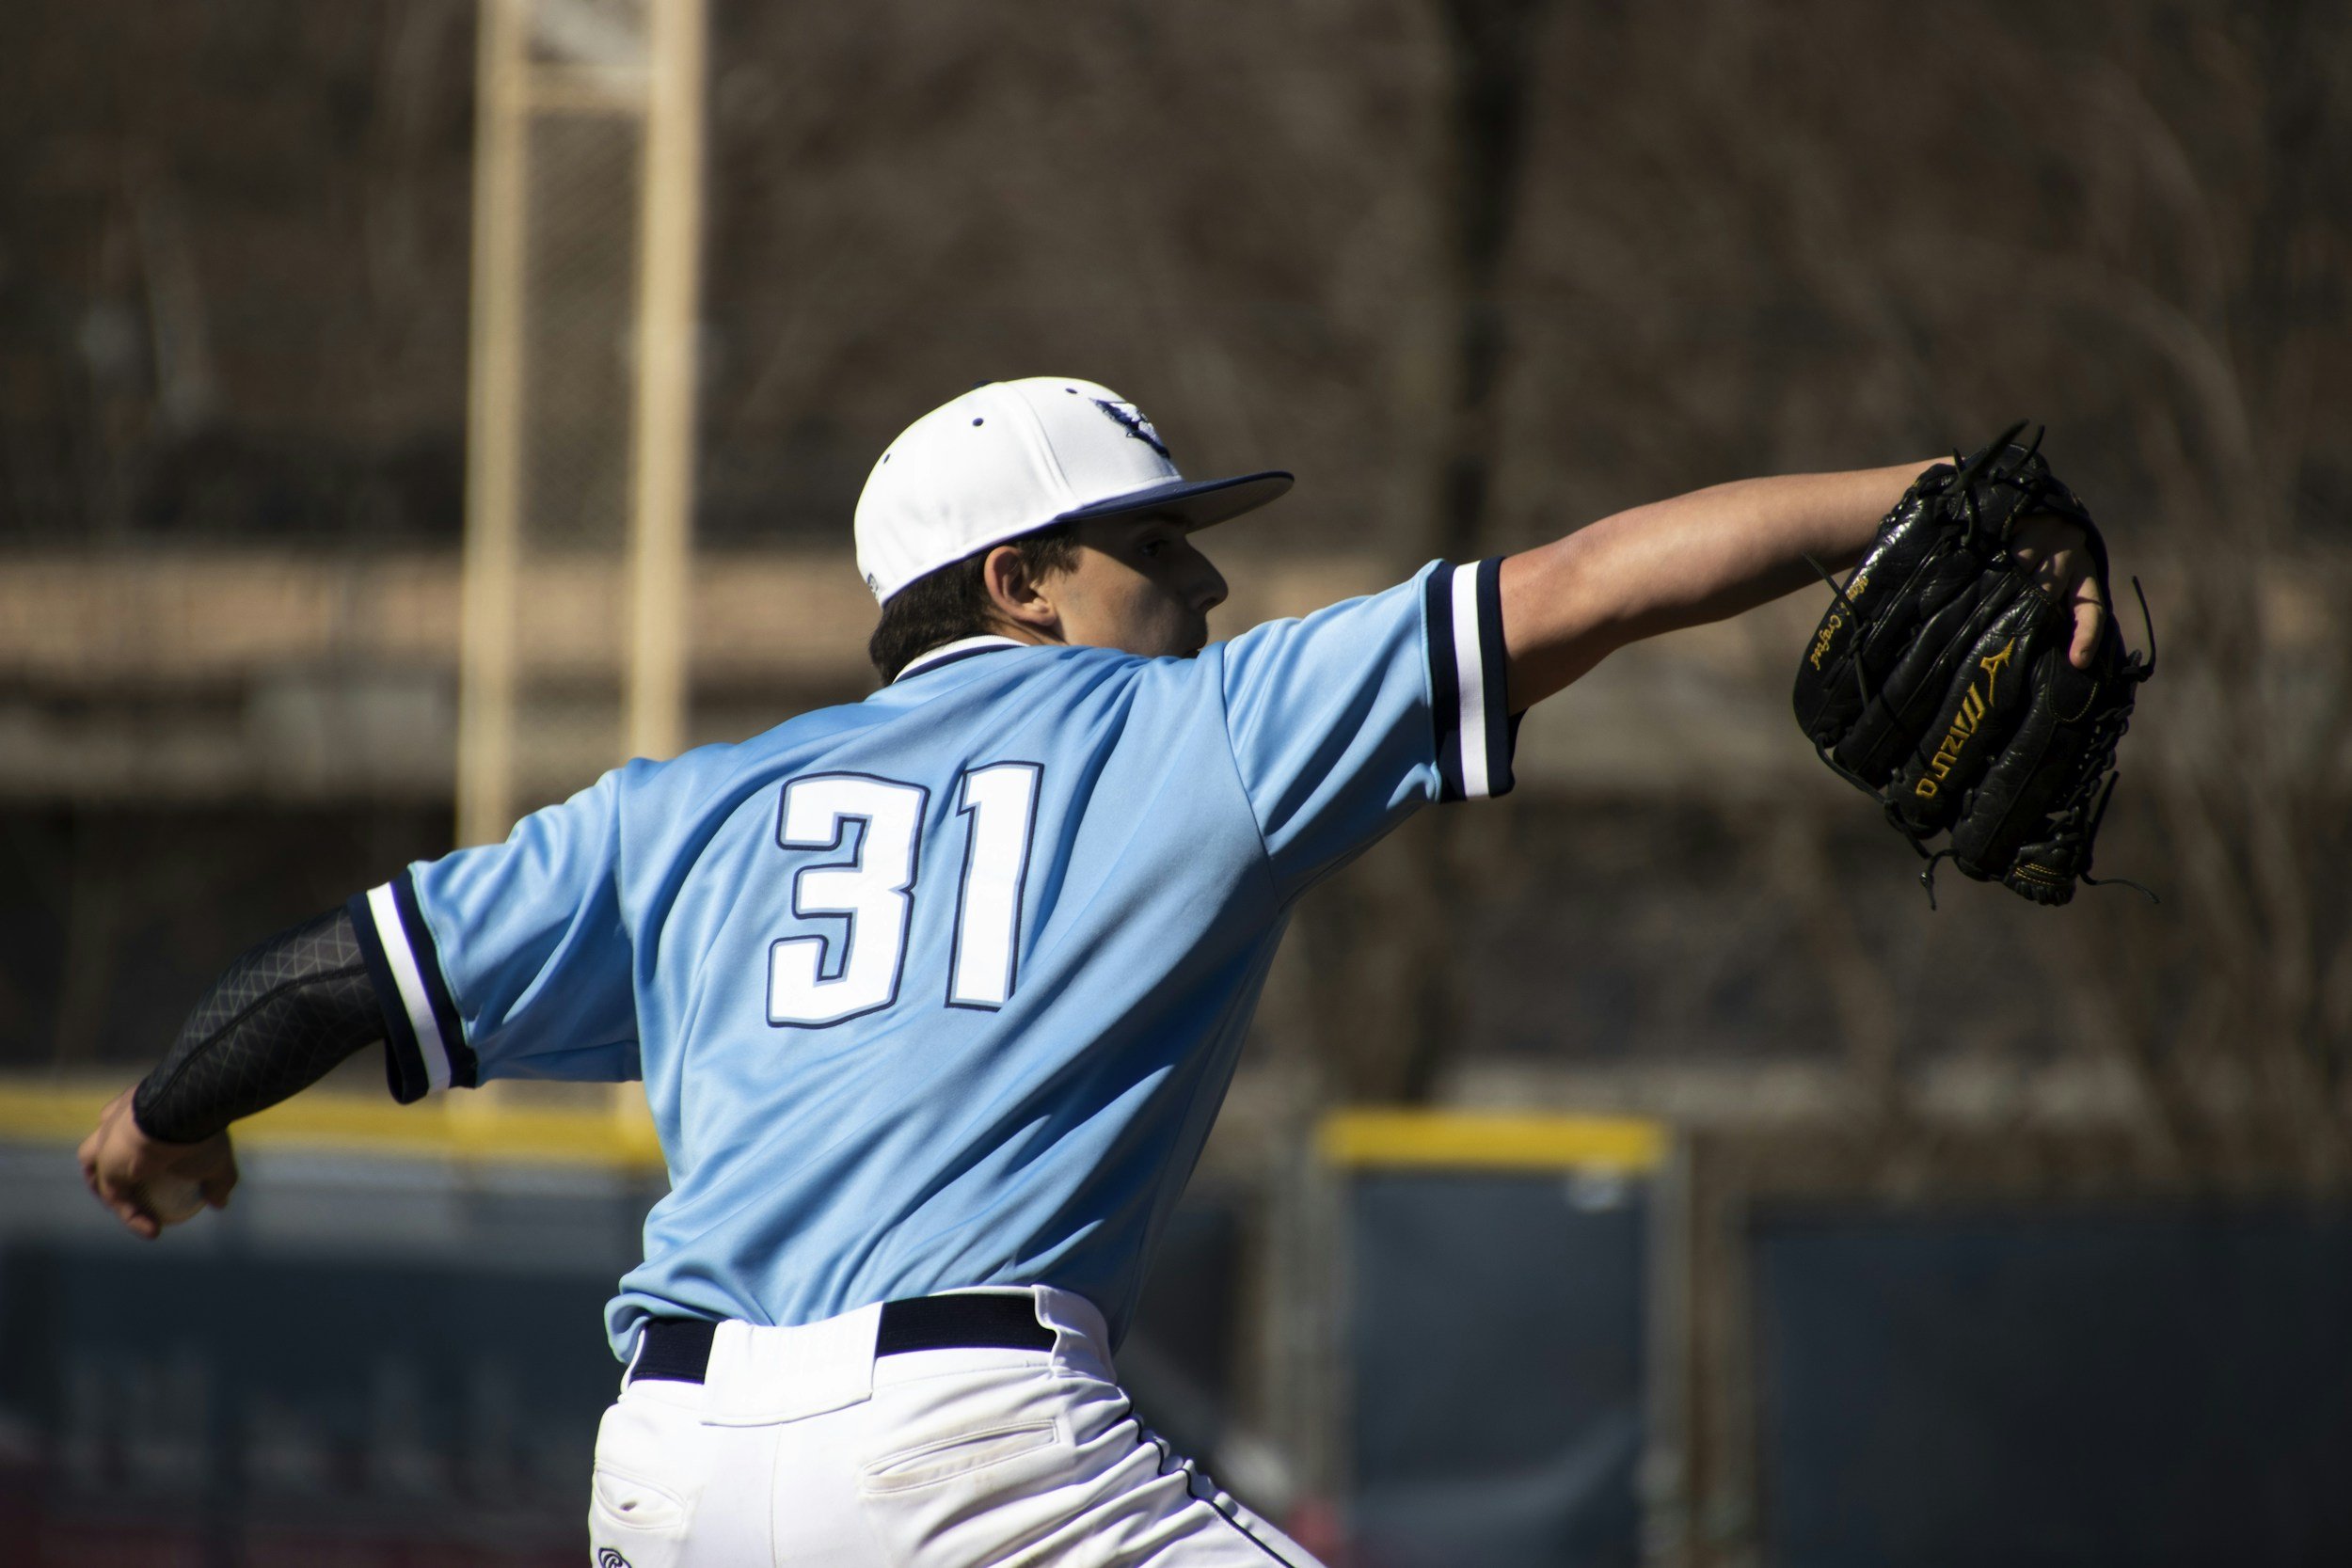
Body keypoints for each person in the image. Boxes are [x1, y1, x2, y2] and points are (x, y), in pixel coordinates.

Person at [79, 376, 2109, 1566]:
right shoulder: (1187, 737)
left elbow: (336, 977)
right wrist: (1910, 503)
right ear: (1017, 582)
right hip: (970, 1455)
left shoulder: (675, 814)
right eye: (1155, 545)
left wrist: (161, 1123)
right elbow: (1579, 585)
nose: (1208, 583)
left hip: (674, 1480)